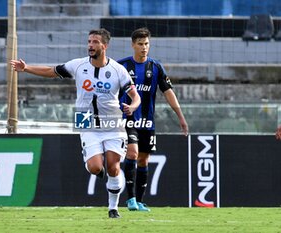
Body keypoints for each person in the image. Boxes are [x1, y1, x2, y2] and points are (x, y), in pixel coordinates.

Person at [11, 28, 141, 218]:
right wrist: (26, 68)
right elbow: (51, 71)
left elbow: (135, 96)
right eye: (89, 41)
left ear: (104, 46)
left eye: (95, 42)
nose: (90, 45)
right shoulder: (78, 65)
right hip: (86, 119)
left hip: (113, 121)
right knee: (96, 168)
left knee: (114, 167)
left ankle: (113, 208)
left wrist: (133, 107)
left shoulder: (118, 70)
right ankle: (94, 162)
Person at [118, 27, 189, 212]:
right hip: (127, 119)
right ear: (133, 45)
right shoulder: (122, 66)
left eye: (146, 44)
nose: (144, 47)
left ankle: (140, 201)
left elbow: (168, 92)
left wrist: (180, 116)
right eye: (140, 44)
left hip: (147, 122)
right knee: (132, 153)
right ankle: (131, 199)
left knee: (144, 160)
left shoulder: (155, 67)